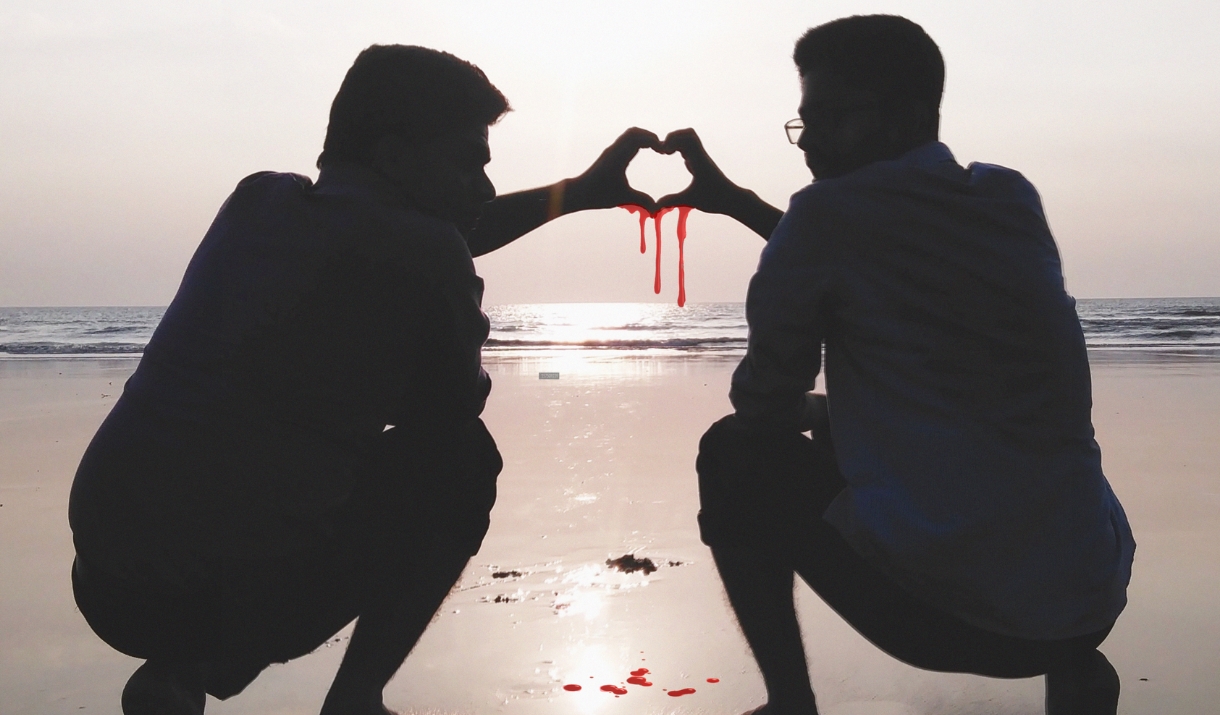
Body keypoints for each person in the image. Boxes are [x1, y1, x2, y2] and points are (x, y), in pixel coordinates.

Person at [68, 45, 659, 715]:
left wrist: (576, 194)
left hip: (106, 579)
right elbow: (447, 409)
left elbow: (399, 231)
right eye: (470, 160)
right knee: (461, 461)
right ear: (395, 155)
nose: (486, 186)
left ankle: (180, 667)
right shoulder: (428, 253)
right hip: (225, 594)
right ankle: (350, 696)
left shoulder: (258, 199)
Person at [657, 15, 1135, 715]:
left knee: (733, 452)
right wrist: (736, 203)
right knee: (1023, 459)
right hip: (1090, 603)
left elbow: (762, 404)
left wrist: (816, 411)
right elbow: (880, 255)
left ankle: (791, 700)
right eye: (803, 123)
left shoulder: (824, 219)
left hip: (948, 621)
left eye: (831, 118)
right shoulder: (1007, 197)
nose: (810, 141)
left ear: (908, 116)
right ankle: (1074, 675)